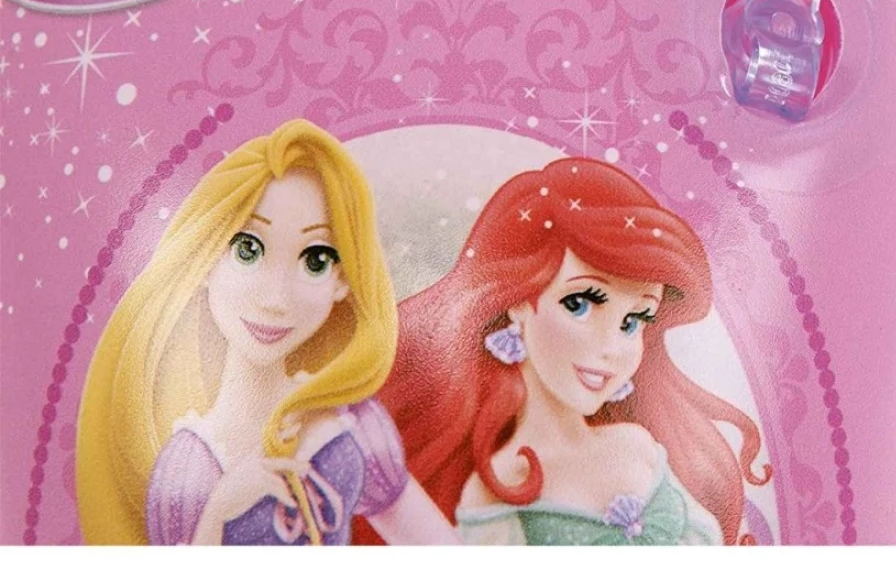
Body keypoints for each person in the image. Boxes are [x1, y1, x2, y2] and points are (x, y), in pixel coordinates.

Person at [76, 119, 458, 545]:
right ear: (205, 257)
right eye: (247, 249)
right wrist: (220, 509)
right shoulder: (190, 464)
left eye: (315, 260)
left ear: (343, 279)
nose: (275, 299)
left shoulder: (348, 424)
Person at [364, 157, 772, 545]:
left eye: (633, 321)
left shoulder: (637, 446)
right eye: (579, 304)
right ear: (519, 302)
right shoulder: (500, 483)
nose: (611, 347)